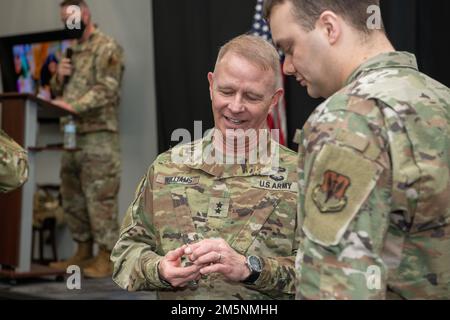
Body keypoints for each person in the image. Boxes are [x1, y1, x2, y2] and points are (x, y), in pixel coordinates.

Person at [264, 0, 450, 299]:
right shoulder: (442, 100)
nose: (286, 67)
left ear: (329, 27)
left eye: (288, 47)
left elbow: (334, 285)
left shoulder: (347, 120)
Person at [111, 35, 298, 299]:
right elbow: (125, 254)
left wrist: (251, 269)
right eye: (226, 91)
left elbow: (325, 275)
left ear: (274, 99)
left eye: (252, 97)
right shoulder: (168, 167)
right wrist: (160, 270)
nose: (235, 106)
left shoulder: (300, 175)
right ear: (211, 85)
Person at [49, 0, 125, 278]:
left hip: (97, 137)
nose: (68, 24)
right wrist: (58, 76)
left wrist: (73, 107)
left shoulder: (107, 46)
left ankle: (106, 257)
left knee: (100, 199)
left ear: (85, 14)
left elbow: (107, 88)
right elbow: (58, 89)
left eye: (72, 17)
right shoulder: (68, 50)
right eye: (64, 19)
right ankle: (82, 252)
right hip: (70, 137)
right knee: (73, 198)